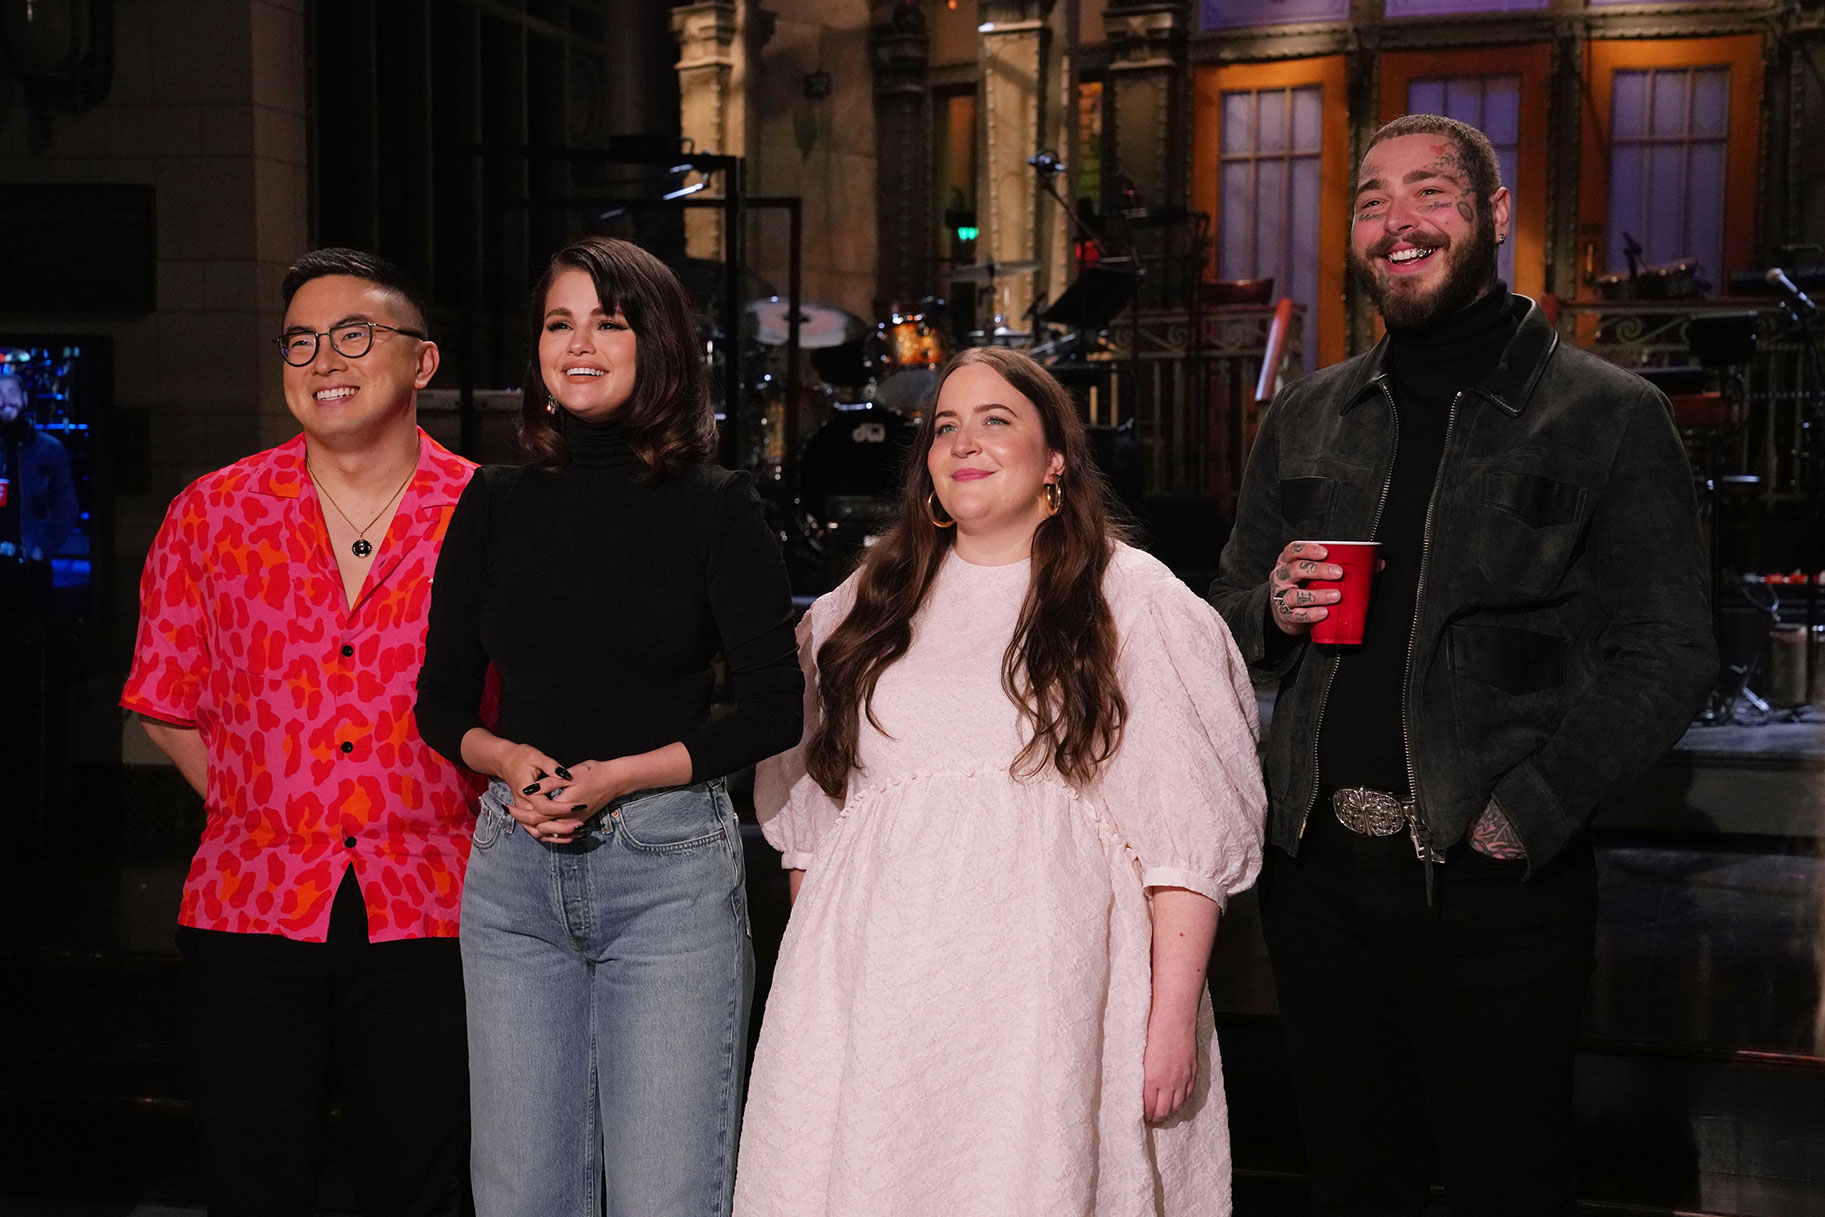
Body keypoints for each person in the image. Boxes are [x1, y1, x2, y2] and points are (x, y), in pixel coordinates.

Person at [1208, 114, 1717, 1216]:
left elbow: (1670, 650)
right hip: (1320, 883)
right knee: (1352, 1183)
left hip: (1497, 891)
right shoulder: (1303, 415)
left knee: (1509, 1183)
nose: (1397, 219)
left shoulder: (1606, 414)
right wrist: (1273, 611)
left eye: (1429, 192)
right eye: (1371, 198)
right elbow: (1222, 617)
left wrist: (1527, 811)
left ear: (1490, 218)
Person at [737, 347, 1266, 1216]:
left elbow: (1185, 840)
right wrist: (819, 1000)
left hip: (1044, 1001)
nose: (964, 443)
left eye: (995, 421)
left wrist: (1169, 1019)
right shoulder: (865, 604)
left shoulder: (1130, 599)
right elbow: (812, 819)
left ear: (1054, 457)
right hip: (881, 1004)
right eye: (946, 426)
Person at [414, 235, 802, 1217]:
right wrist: (505, 758)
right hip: (510, 877)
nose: (577, 343)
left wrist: (618, 776)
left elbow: (770, 706)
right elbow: (442, 700)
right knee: (518, 1196)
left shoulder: (716, 507)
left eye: (607, 321)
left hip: (666, 878)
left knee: (665, 1194)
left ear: (657, 344)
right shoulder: (491, 501)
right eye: (558, 322)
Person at [121, 248, 480, 1216]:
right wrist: (268, 800)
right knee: (251, 1179)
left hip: (437, 904)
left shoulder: (491, 514)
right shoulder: (213, 512)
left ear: (423, 361)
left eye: (354, 334)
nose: (325, 358)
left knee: (419, 1180)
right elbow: (165, 700)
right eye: (301, 341)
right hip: (253, 899)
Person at [0, 370, 78, 609]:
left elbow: (67, 507)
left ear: (24, 398)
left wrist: (43, 549)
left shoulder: (51, 449)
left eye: (12, 392)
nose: (6, 400)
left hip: (33, 566)